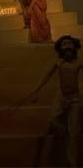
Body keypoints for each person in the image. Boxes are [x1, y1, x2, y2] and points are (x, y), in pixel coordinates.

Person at [31, 36, 82, 167]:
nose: (67, 46)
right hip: (61, 97)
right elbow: (45, 77)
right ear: (60, 48)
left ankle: (73, 163)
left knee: (74, 134)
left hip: (75, 99)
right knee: (53, 119)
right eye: (64, 44)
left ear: (74, 47)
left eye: (70, 44)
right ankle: (62, 131)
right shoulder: (58, 62)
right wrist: (35, 91)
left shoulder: (78, 62)